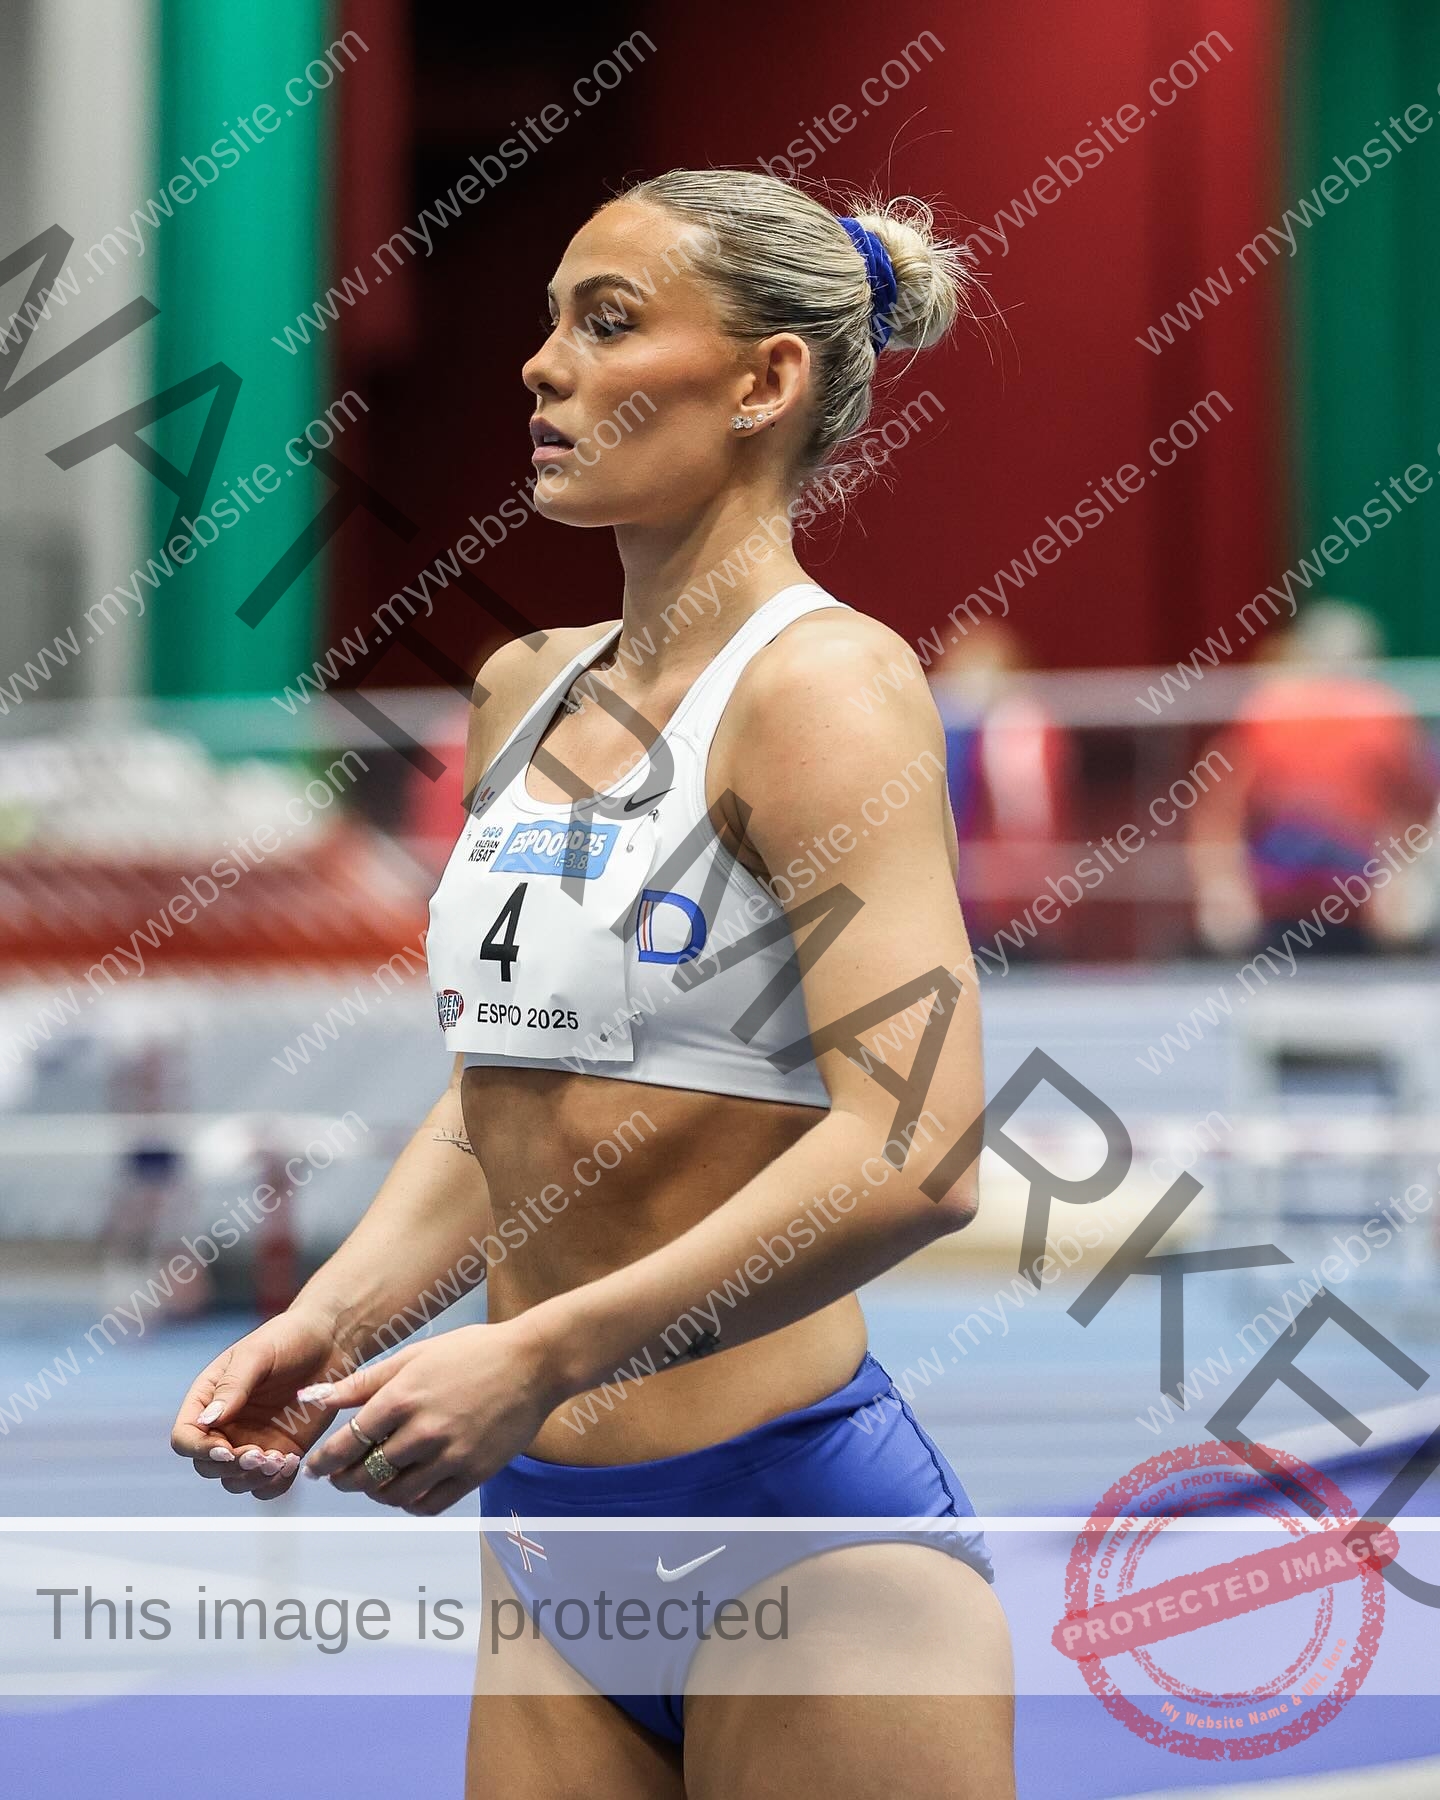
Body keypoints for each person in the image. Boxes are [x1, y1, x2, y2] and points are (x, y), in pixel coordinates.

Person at [171, 167, 1014, 1798]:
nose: (540, 367)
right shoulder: (522, 689)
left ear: (766, 381)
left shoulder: (827, 688)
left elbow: (922, 1155)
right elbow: (506, 1102)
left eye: (607, 324)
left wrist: (548, 1350)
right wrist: (331, 1317)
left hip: (794, 1540)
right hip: (551, 1549)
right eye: (550, 321)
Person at [1188, 598, 1440, 954]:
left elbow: (1419, 812)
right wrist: (1223, 889)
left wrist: (1402, 880)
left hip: (1364, 919)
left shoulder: (1386, 719)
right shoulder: (1265, 716)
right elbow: (1219, 813)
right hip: (1278, 913)